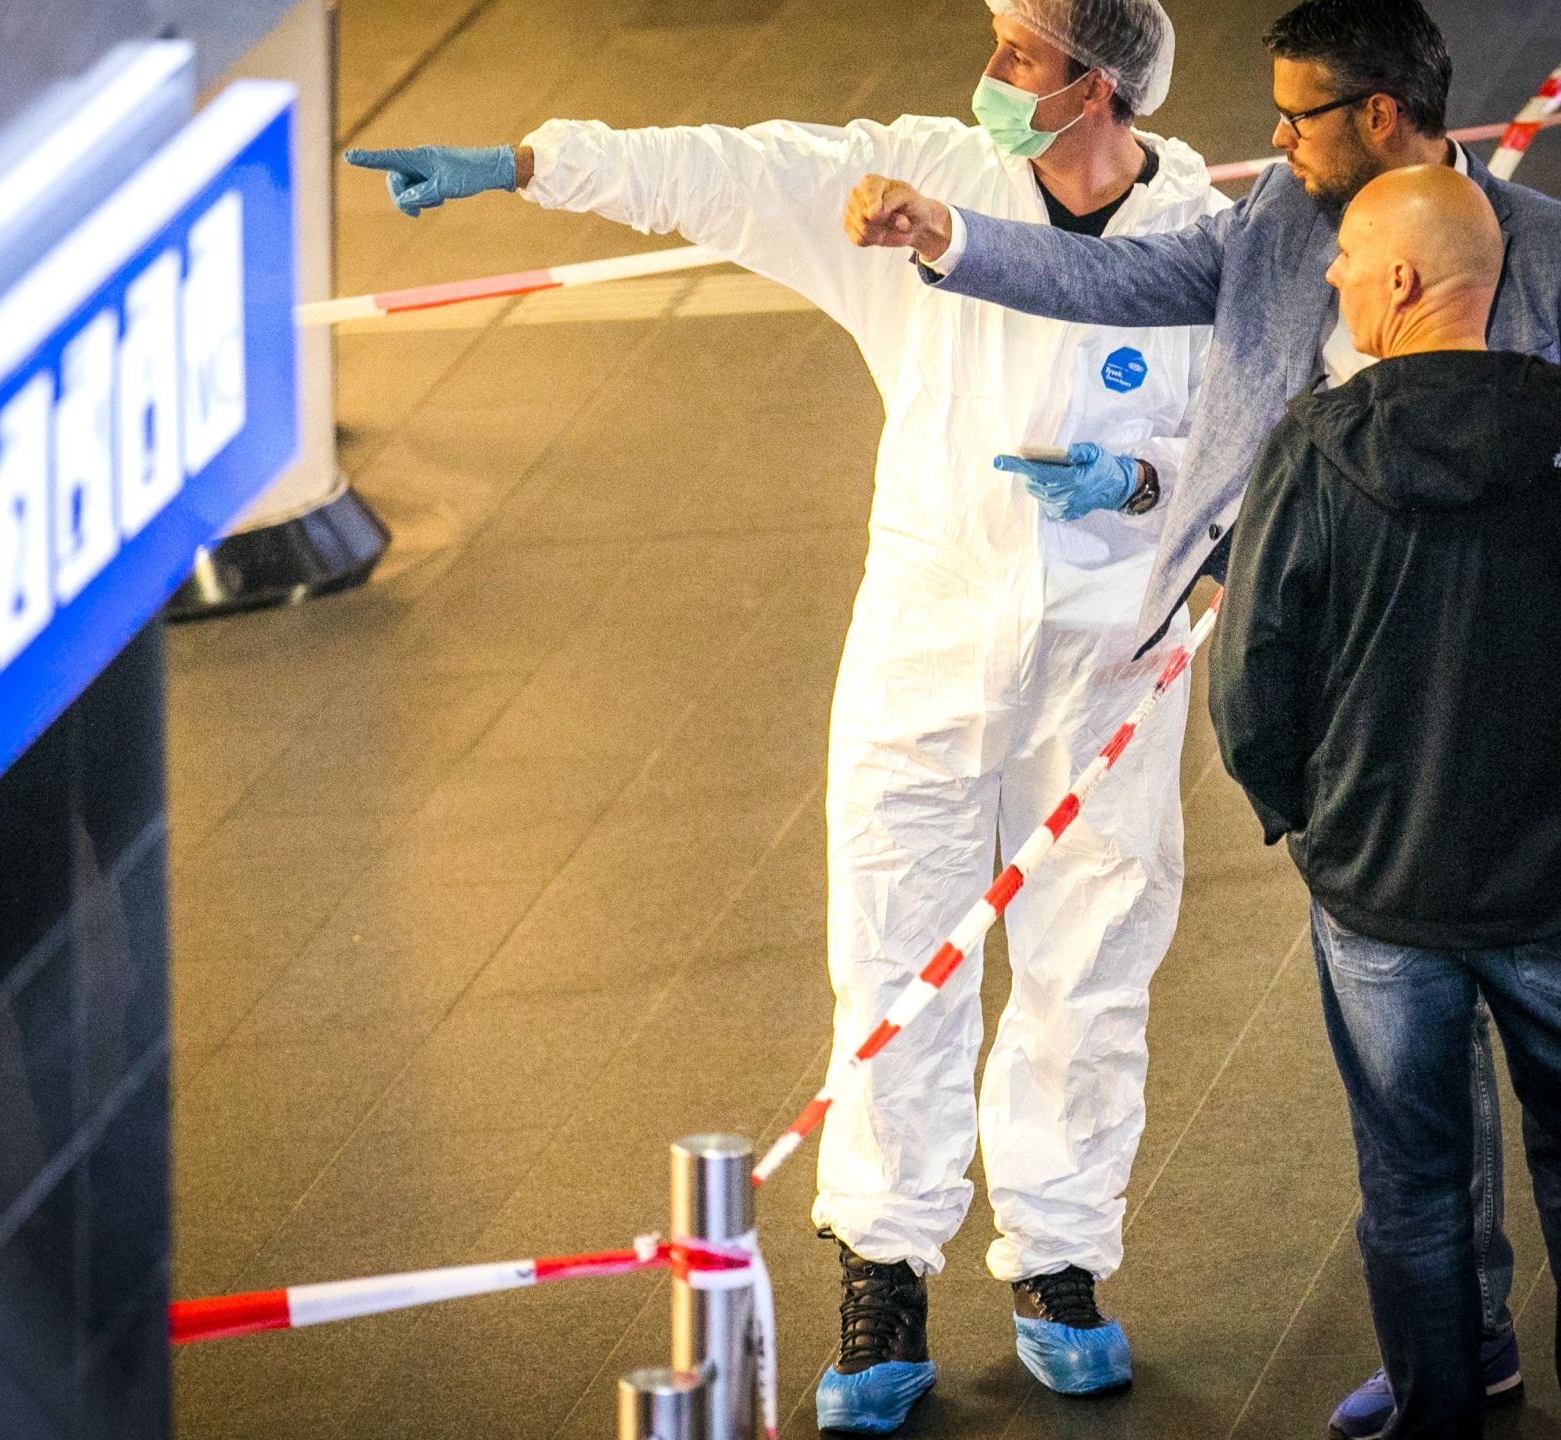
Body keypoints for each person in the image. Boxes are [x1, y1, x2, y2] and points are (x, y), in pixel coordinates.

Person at [844, 3, 1561, 1434]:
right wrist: (949, 239)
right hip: (1375, 745)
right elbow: (1126, 281)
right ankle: (1457, 1338)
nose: (1267, 146)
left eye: (1296, 118)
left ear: (1380, 116)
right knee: (1418, 1099)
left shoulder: (1552, 250)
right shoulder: (1270, 225)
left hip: (1542, 750)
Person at [343, 2, 1220, 1430]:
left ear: (1102, 85)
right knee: (891, 948)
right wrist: (527, 162)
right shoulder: (921, 186)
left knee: (1096, 946)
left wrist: (1126, 495)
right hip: (931, 644)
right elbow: (728, 166)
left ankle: (1061, 1259)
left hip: (1113, 664)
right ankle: (883, 1269)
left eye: (1022, 54)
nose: (990, 75)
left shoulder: (1199, 240)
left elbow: (1235, 446)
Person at [1205, 162, 1561, 1440]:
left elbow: (1251, 685)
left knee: (1413, 1180)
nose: (1328, 276)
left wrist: (1314, 825)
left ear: (1399, 282)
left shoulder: (1314, 450)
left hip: (1384, 894)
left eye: (1343, 261)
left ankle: (1442, 1410)